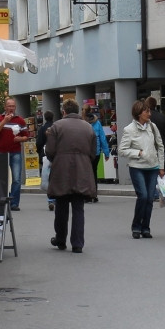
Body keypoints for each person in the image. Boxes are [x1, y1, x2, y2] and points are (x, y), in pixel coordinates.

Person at [44, 100, 97, 253]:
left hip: (62, 169)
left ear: (64, 111)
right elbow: (93, 152)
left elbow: (50, 151)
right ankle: (78, 243)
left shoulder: (56, 126)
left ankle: (60, 239)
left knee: (61, 206)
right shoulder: (88, 127)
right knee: (78, 207)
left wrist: (58, 159)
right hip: (82, 169)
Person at [118, 99, 164, 239]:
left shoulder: (153, 127)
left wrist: (161, 166)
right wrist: (137, 153)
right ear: (138, 113)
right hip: (137, 167)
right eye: (146, 111)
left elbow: (160, 146)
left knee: (150, 198)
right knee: (143, 196)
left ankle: (146, 228)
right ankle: (136, 226)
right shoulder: (129, 130)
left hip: (152, 167)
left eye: (149, 110)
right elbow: (122, 150)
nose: (149, 113)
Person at [0, 97, 32, 211]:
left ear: (15, 107)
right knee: (1, 178)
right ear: (5, 107)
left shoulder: (20, 120)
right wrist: (4, 121)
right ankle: (2, 200)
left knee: (16, 179)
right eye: (9, 106)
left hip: (15, 152)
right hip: (2, 152)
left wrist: (20, 139)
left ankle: (14, 203)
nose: (11, 108)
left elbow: (26, 136)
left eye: (13, 106)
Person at [87, 107, 111, 197]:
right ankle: (94, 194)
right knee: (94, 172)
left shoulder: (84, 124)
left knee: (87, 173)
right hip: (96, 153)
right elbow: (103, 138)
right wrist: (106, 153)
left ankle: (88, 194)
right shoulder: (97, 123)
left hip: (87, 153)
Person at [35, 110, 56, 211]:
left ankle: (50, 199)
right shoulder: (57, 127)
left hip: (46, 156)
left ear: (44, 117)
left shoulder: (42, 128)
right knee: (56, 177)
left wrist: (39, 151)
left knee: (47, 177)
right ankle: (56, 198)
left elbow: (39, 143)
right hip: (57, 155)